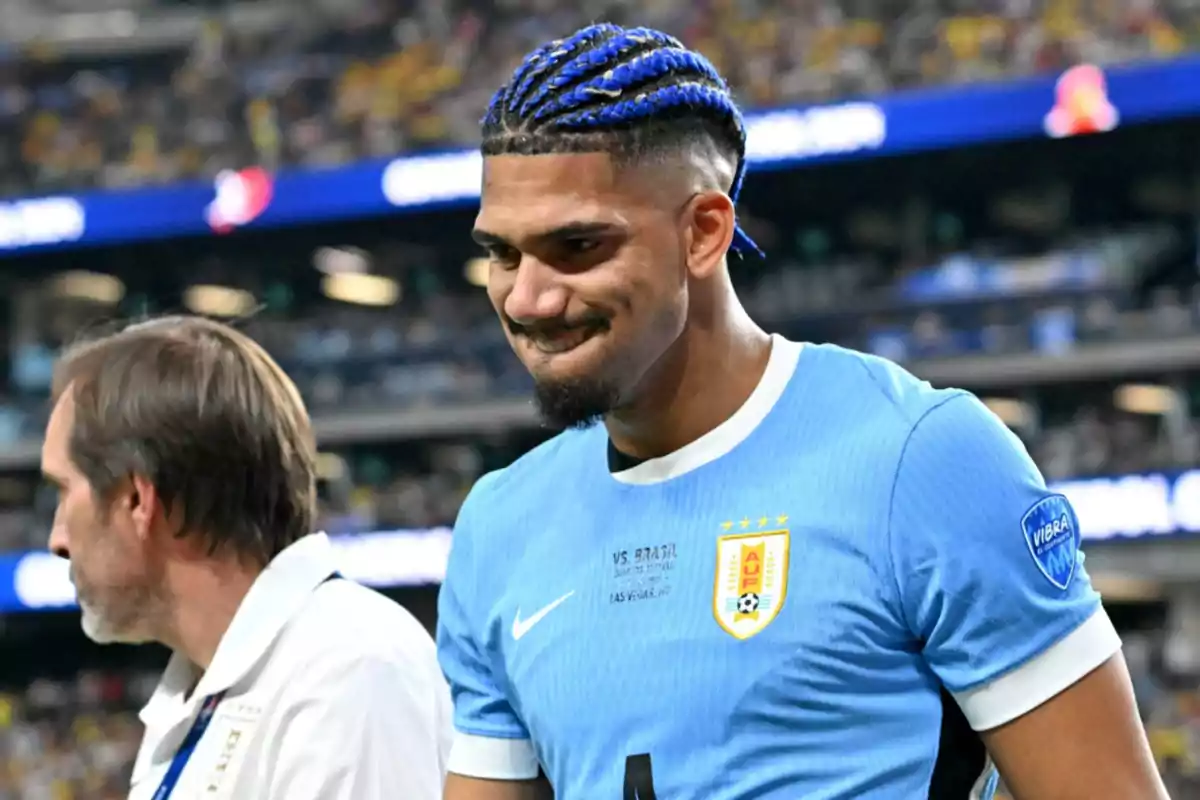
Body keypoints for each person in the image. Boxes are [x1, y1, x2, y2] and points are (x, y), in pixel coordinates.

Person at [435, 22, 1168, 800]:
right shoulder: (499, 527)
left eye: (577, 246)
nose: (528, 298)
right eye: (503, 254)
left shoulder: (922, 461)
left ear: (704, 232)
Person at [41, 315, 452, 800]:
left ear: (136, 499)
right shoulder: (202, 690)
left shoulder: (350, 666)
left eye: (64, 492)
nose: (56, 538)